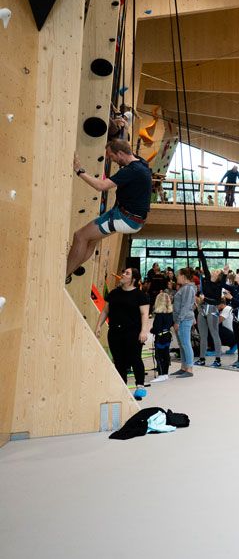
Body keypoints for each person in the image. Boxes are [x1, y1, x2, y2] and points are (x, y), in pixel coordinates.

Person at [67, 139, 152, 279]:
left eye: (112, 157)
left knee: (80, 236)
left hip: (125, 218)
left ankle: (64, 274)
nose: (112, 160)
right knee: (91, 240)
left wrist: (79, 170)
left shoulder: (131, 171)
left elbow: (100, 186)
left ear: (120, 153)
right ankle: (70, 270)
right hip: (132, 218)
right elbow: (124, 148)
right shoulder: (141, 163)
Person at [96, 268, 152, 389]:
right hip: (115, 332)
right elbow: (105, 311)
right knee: (119, 361)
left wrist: (143, 331)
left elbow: (144, 314)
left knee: (135, 358)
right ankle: (122, 388)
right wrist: (98, 326)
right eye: (124, 272)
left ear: (134, 279)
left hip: (133, 332)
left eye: (127, 273)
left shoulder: (140, 295)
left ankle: (140, 385)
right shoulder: (114, 293)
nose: (123, 275)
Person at [195, 248, 223, 368]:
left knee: (214, 333)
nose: (214, 271)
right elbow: (204, 263)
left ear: (218, 277)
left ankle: (218, 359)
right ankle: (202, 358)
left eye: (216, 271)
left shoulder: (218, 286)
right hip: (202, 309)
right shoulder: (206, 278)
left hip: (212, 310)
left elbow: (217, 301)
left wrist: (204, 298)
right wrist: (200, 251)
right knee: (203, 335)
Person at [170, 268, 197, 378]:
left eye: (178, 275)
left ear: (183, 276)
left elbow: (185, 306)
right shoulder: (185, 288)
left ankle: (189, 369)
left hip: (184, 320)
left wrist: (178, 321)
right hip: (182, 319)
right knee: (182, 345)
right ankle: (184, 367)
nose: (177, 277)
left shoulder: (188, 289)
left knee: (186, 344)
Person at [151, 290, 174, 383]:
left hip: (160, 337)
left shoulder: (159, 315)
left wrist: (151, 330)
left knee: (159, 356)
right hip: (168, 335)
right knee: (166, 355)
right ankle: (165, 373)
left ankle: (161, 374)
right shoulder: (170, 313)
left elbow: (156, 328)